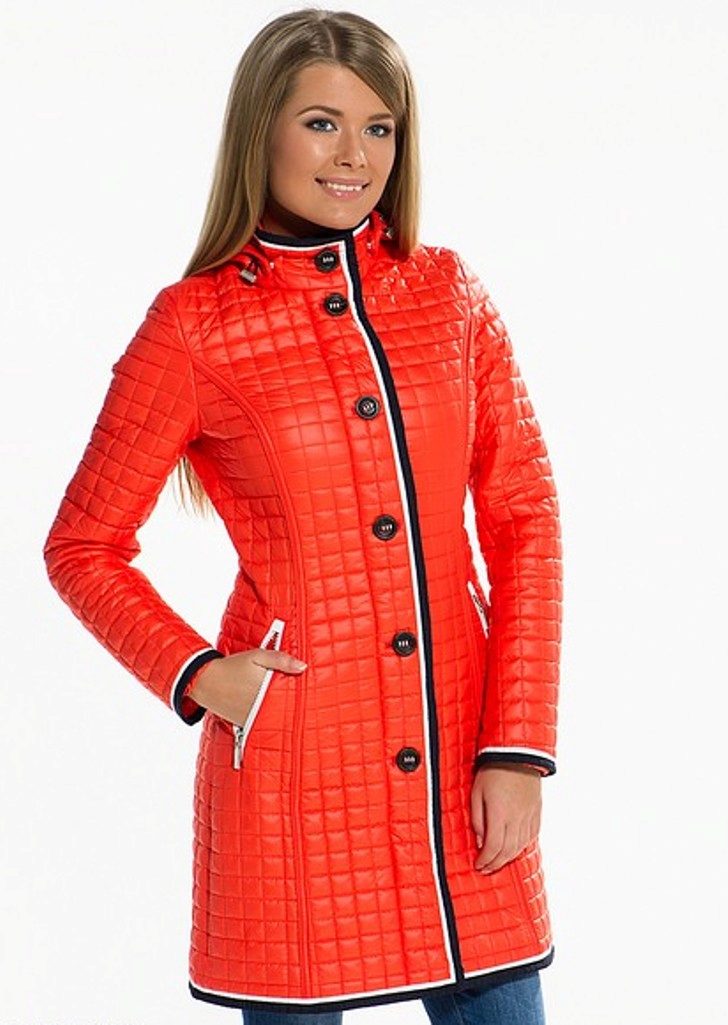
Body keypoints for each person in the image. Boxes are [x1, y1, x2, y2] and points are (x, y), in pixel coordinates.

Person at [42, 8, 562, 1025]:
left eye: (380, 127)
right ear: (261, 130)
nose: (354, 155)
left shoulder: (448, 294)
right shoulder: (193, 326)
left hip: (462, 758)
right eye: (322, 122)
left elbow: (525, 516)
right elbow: (83, 545)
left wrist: (517, 745)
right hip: (292, 774)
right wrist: (198, 673)